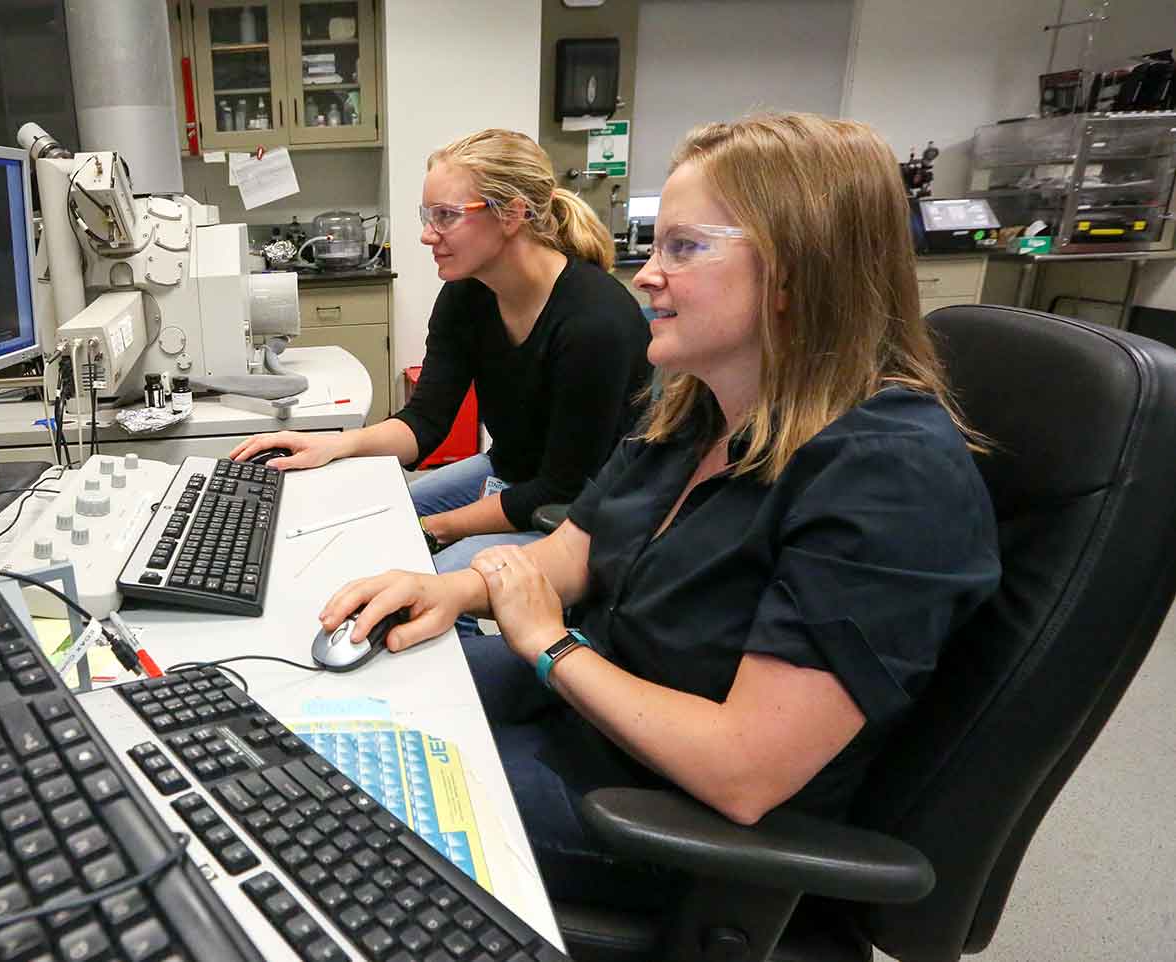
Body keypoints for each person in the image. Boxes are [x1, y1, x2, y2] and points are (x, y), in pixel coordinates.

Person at [315, 113, 1002, 906]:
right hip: (590, 710)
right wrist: (448, 590)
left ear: (795, 273)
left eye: (685, 248)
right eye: (656, 244)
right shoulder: (701, 407)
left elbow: (745, 771)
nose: (644, 274)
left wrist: (548, 647)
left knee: (322, 794)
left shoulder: (890, 478)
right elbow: (573, 548)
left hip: (667, 820)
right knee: (329, 709)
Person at [230, 129, 651, 574]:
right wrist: (332, 446)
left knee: (430, 573)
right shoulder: (467, 295)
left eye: (447, 216)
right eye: (427, 216)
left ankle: (485, 644)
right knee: (376, 517)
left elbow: (559, 488)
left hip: (580, 514)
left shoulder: (594, 323)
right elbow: (424, 423)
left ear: (512, 213)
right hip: (512, 475)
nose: (428, 236)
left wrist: (434, 529)